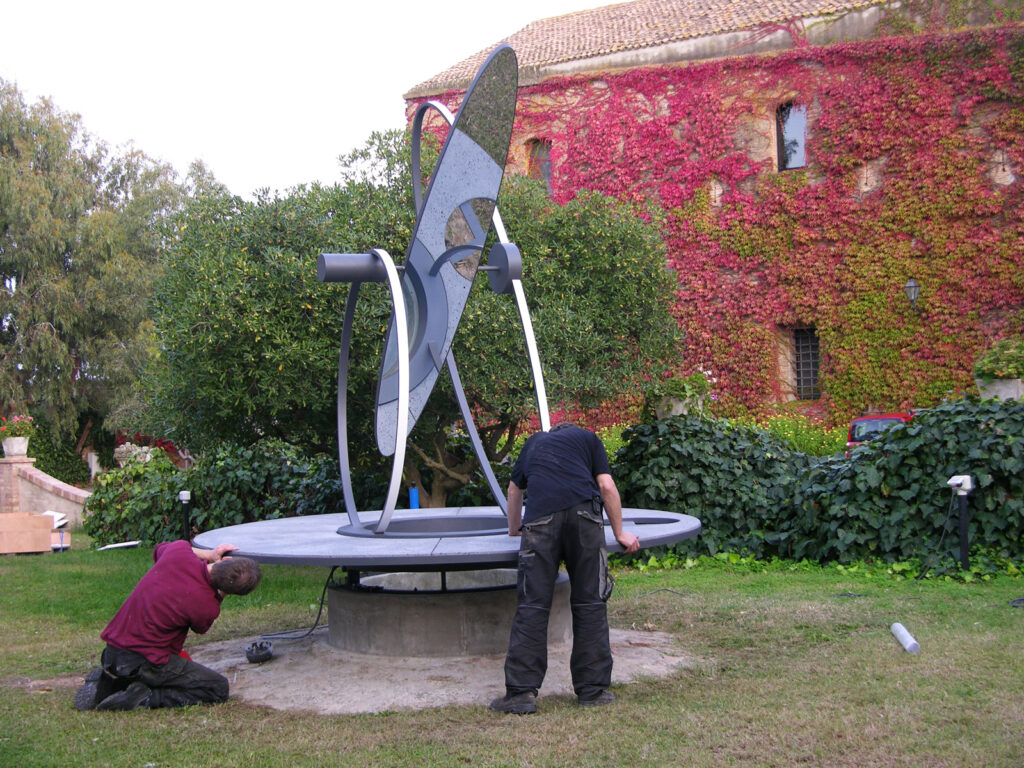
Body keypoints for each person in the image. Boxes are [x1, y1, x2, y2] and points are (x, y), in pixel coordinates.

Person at [490, 422, 640, 714]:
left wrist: (513, 530)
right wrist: (620, 533)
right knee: (590, 603)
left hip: (541, 522)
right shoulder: (588, 439)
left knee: (532, 605)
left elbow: (513, 491)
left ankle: (521, 694)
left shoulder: (533, 443)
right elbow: (606, 486)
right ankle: (593, 691)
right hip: (585, 519)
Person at [74, 540, 262, 711]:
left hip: (113, 651)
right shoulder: (206, 605)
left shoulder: (178, 554)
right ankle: (145, 698)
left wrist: (209, 554)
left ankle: (108, 684)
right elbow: (201, 627)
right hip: (146, 662)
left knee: (179, 670)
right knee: (217, 688)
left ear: (223, 562)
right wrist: (220, 595)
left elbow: (162, 549)